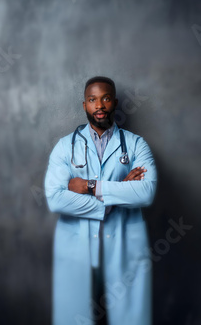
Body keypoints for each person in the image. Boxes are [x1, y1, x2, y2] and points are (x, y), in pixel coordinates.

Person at [44, 76, 157, 325]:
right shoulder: (64, 147)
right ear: (84, 105)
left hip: (123, 248)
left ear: (114, 102)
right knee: (73, 319)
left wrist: (89, 186)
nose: (100, 106)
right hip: (77, 250)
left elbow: (146, 192)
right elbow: (55, 199)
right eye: (92, 100)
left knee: (131, 320)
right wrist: (113, 199)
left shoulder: (137, 145)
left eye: (105, 98)